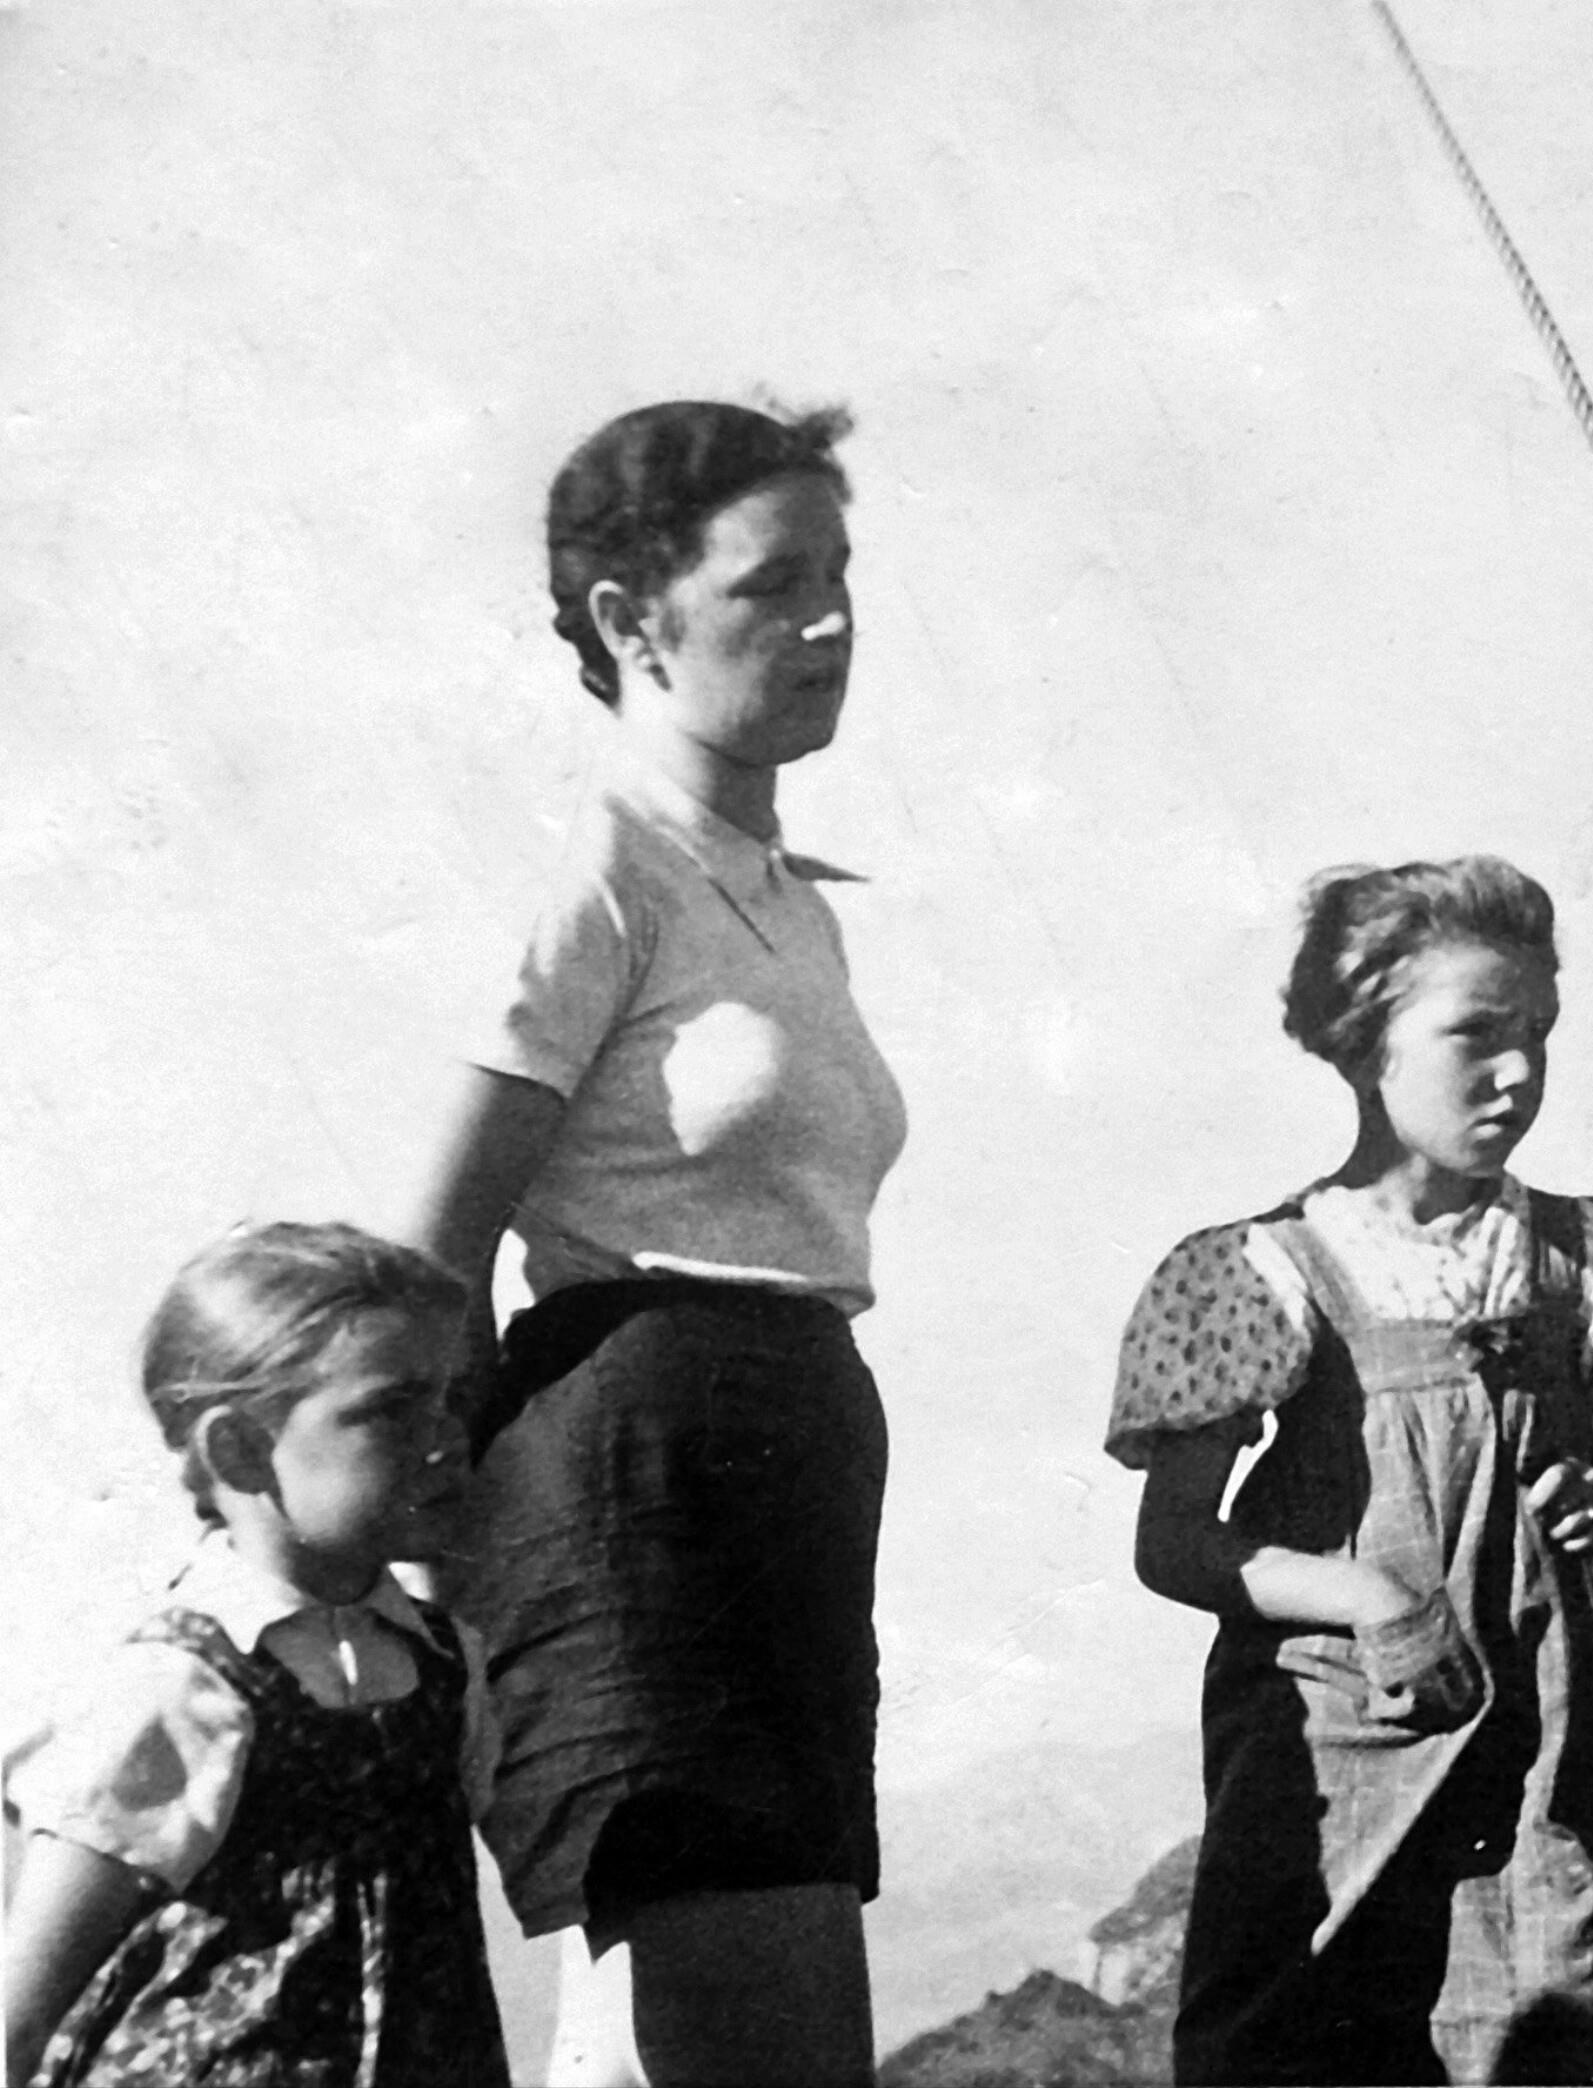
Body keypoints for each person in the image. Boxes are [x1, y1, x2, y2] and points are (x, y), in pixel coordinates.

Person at [399, 400, 906, 2085]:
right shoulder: (598, 864)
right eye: (772, 585)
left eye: (840, 574)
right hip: (639, 1484)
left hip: (785, 1475)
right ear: (631, 621)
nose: (829, 621)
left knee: (735, 2038)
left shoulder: (783, 896)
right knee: (746, 2035)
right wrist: (425, 1571)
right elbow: (436, 1247)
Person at [1109, 857, 1593, 2085]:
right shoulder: (1264, 1270)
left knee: (1570, 2028)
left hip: (1563, 1740)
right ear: (1364, 1041)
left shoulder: (1583, 1254)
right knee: (1303, 2035)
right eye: (1477, 1033)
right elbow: (1173, 1544)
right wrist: (1369, 1595)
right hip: (1345, 1732)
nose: (1520, 1070)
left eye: (1540, 1031)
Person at [3, 1222, 508, 2088]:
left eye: (450, 1399)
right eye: (394, 1408)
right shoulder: (178, 1686)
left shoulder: (443, 1664)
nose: (447, 1437)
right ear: (238, 1450)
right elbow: (19, 2009)